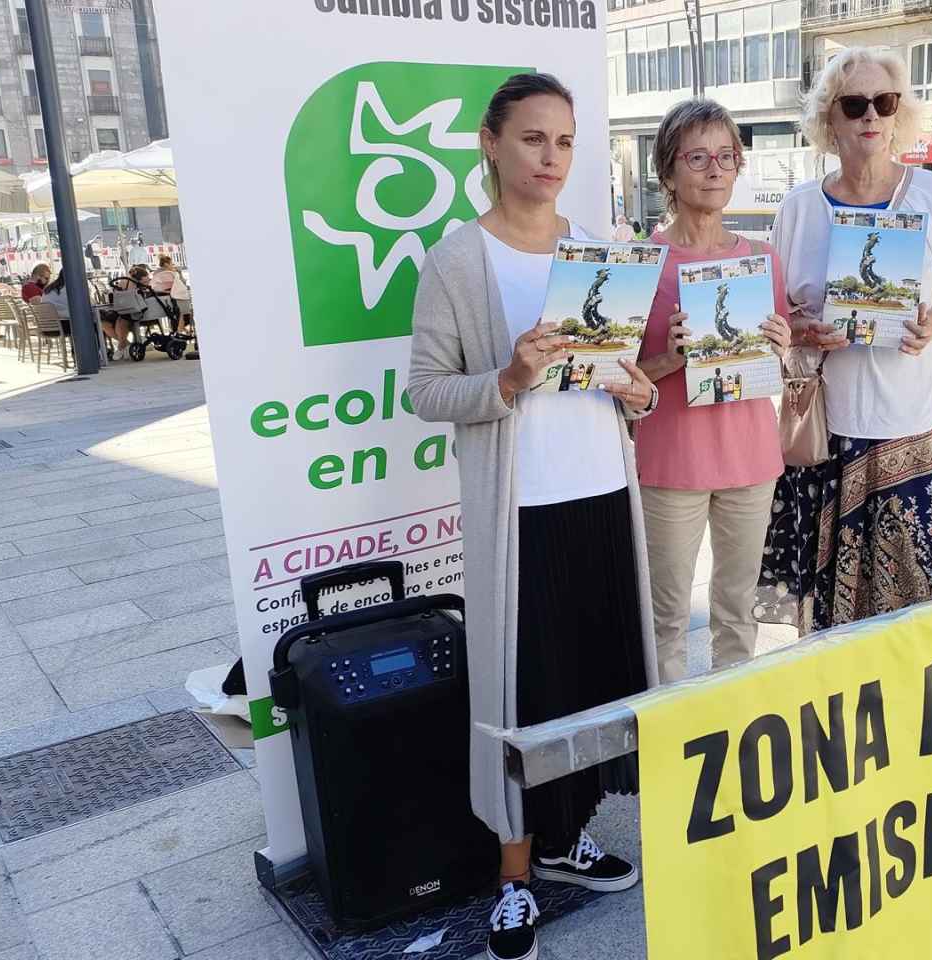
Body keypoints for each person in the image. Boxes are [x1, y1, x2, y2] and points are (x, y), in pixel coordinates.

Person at [407, 72, 656, 960]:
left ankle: (566, 837)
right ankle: (514, 879)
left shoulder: (598, 251)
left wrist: (635, 389)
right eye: (532, 139)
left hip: (598, 499)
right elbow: (426, 389)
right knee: (523, 693)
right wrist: (507, 380)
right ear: (490, 143)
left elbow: (626, 386)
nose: (550, 158)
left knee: (590, 682)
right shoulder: (458, 260)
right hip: (518, 515)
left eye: (564, 142)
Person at [759, 46, 932, 634]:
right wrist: (802, 333)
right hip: (830, 431)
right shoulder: (799, 208)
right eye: (854, 103)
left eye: (883, 103)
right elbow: (776, 318)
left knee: (925, 610)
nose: (870, 116)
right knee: (836, 622)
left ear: (898, 115)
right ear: (828, 119)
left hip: (916, 425)